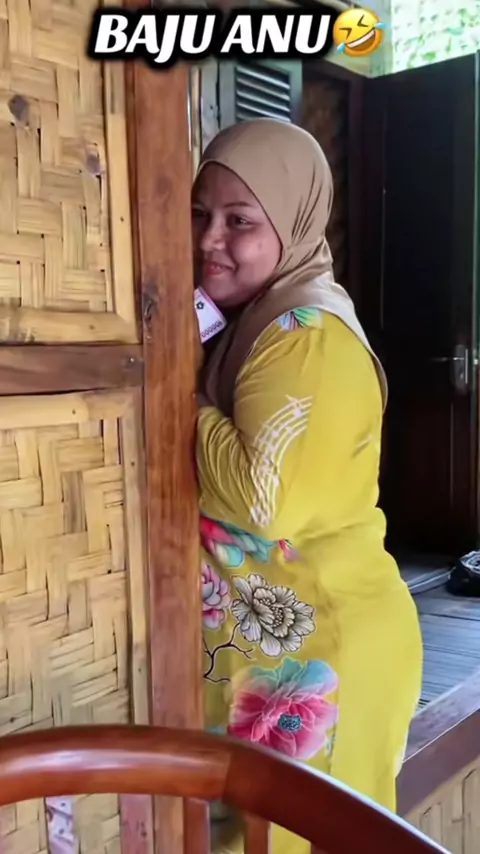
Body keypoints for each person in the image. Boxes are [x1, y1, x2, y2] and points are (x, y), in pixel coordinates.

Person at [193, 118, 422, 854]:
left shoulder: (304, 334)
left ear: (293, 222)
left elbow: (265, 501)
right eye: (199, 213)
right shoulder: (247, 325)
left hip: (328, 646)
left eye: (239, 221)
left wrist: (171, 399)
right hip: (282, 653)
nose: (209, 239)